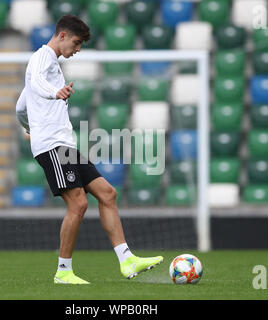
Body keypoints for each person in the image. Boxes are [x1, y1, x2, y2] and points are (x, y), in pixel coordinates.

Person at [16, 15, 163, 284]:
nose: (78, 49)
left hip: (63, 144)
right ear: (61, 36)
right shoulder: (42, 57)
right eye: (76, 42)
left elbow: (21, 107)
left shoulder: (53, 65)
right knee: (79, 203)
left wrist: (29, 127)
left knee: (107, 193)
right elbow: (37, 82)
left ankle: (127, 260)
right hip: (52, 145)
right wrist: (55, 93)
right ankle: (63, 271)